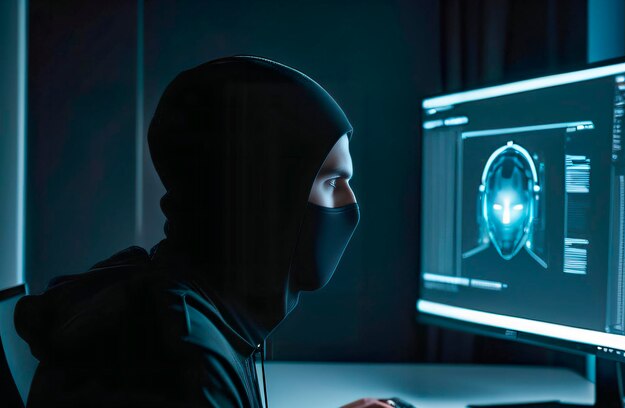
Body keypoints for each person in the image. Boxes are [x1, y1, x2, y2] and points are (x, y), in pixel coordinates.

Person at [13, 56, 396, 407]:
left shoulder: (186, 305)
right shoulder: (179, 355)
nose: (352, 203)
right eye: (331, 181)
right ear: (260, 194)